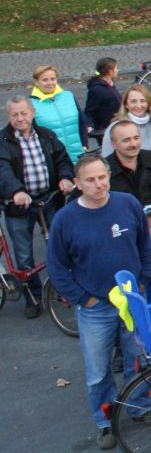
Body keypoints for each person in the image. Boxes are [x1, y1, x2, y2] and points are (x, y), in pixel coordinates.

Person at [45, 154, 151, 450]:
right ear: (77, 184)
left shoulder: (128, 203)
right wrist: (84, 299)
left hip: (133, 300)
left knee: (139, 360)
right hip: (96, 309)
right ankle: (105, 420)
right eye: (90, 180)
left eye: (102, 177)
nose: (98, 184)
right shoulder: (65, 219)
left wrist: (143, 279)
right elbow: (56, 267)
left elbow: (145, 244)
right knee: (98, 371)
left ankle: (140, 407)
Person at [0, 97, 73, 317]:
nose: (20, 118)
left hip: (49, 199)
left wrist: (65, 177)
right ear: (8, 116)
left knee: (60, 246)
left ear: (32, 113)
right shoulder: (2, 141)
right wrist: (16, 191)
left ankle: (63, 289)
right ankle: (33, 298)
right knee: (24, 256)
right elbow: (3, 170)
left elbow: (62, 159)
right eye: (14, 114)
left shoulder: (46, 135)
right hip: (19, 205)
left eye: (24, 113)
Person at [105, 120, 151, 216]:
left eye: (136, 138)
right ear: (113, 144)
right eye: (126, 140)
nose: (133, 144)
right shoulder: (104, 170)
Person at [30, 64, 87, 164]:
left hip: (78, 155)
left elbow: (81, 121)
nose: (50, 83)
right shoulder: (31, 104)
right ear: (36, 82)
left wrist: (85, 144)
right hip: (54, 160)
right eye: (45, 80)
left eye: (53, 79)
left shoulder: (68, 96)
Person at [101, 84, 151, 159]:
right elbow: (107, 157)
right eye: (133, 101)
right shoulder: (115, 128)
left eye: (142, 101)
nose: (139, 105)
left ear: (148, 103)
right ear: (126, 104)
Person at [84, 57, 121, 136]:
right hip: (104, 130)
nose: (118, 70)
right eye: (116, 68)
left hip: (115, 126)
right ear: (110, 72)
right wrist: (89, 126)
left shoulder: (110, 84)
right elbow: (89, 111)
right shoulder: (96, 90)